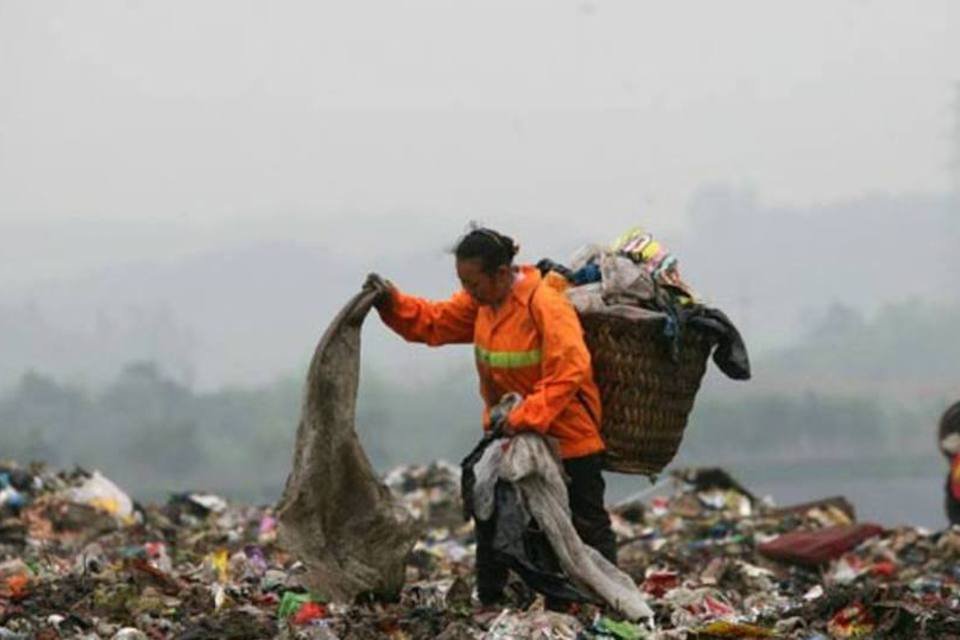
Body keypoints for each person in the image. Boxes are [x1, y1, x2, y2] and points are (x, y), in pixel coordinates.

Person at [367, 226, 616, 606]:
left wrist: (525, 416)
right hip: (510, 438)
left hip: (568, 440)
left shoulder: (545, 304)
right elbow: (433, 322)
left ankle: (606, 606)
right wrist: (391, 302)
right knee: (493, 520)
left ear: (501, 273)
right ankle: (492, 604)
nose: (468, 291)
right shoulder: (482, 305)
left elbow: (571, 368)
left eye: (473, 282)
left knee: (586, 529)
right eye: (463, 283)